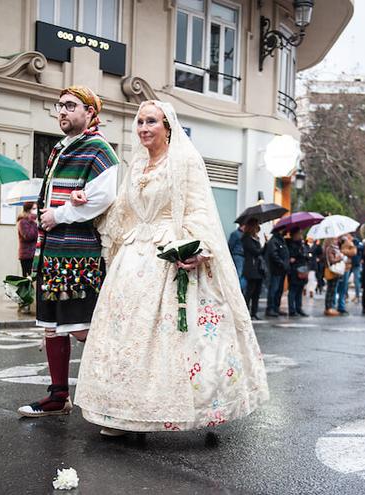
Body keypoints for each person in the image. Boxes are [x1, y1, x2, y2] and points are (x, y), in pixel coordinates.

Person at [74, 100, 269, 434]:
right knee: (126, 333)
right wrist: (86, 203)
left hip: (168, 253)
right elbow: (122, 210)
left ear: (167, 127)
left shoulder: (184, 161)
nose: (144, 128)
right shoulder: (136, 165)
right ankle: (122, 413)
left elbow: (198, 208)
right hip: (133, 256)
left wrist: (199, 247)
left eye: (151, 121)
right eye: (140, 122)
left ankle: (179, 408)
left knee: (170, 337)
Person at [16, 86, 119, 418]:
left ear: (90, 112)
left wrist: (58, 214)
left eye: (70, 106)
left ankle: (121, 389)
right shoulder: (60, 148)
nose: (62, 111)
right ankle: (59, 395)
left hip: (78, 252)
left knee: (82, 327)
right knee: (51, 325)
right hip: (52, 249)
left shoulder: (99, 149)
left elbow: (102, 197)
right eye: (59, 105)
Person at [241, 218, 264, 320]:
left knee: (257, 292)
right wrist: (266, 245)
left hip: (258, 268)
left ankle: (254, 312)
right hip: (251, 268)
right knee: (250, 291)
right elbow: (256, 252)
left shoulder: (255, 238)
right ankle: (245, 311)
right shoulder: (246, 239)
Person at [265, 227, 290, 317]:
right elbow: (273, 254)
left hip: (281, 270)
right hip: (276, 269)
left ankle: (276, 307)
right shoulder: (274, 241)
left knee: (279, 290)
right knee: (274, 289)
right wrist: (282, 263)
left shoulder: (281, 240)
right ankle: (271, 308)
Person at [286, 228, 309, 317]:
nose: (300, 235)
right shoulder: (290, 244)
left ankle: (299, 308)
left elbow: (305, 254)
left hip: (302, 268)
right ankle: (292, 309)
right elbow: (293, 256)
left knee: (300, 290)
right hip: (294, 270)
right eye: (299, 234)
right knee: (293, 290)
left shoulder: (302, 244)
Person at [335, 233, 357, 315]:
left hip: (346, 267)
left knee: (343, 287)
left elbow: (354, 251)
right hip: (336, 267)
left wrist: (343, 251)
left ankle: (341, 306)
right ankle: (333, 305)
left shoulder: (349, 242)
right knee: (335, 286)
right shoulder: (334, 242)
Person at [17, 202, 38, 277]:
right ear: (28, 210)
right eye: (34, 209)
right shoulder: (23, 222)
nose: (36, 211)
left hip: (35, 254)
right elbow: (28, 236)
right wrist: (35, 225)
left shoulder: (34, 222)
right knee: (27, 277)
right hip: (27, 255)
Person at [323, 237, 342, 316]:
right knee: (331, 290)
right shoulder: (330, 249)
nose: (337, 241)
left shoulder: (332, 248)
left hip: (333, 270)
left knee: (331, 289)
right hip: (332, 270)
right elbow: (332, 260)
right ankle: (329, 307)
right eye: (335, 239)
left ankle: (329, 307)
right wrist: (339, 258)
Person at [228, 222, 246, 291]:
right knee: (239, 274)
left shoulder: (244, 234)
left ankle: (240, 290)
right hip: (237, 255)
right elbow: (230, 245)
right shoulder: (235, 234)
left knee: (242, 275)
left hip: (243, 256)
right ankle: (236, 290)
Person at [350, 235, 363, 303]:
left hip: (352, 262)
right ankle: (357, 296)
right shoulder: (358, 243)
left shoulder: (354, 242)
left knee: (356, 280)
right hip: (356, 262)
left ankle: (356, 296)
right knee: (356, 280)